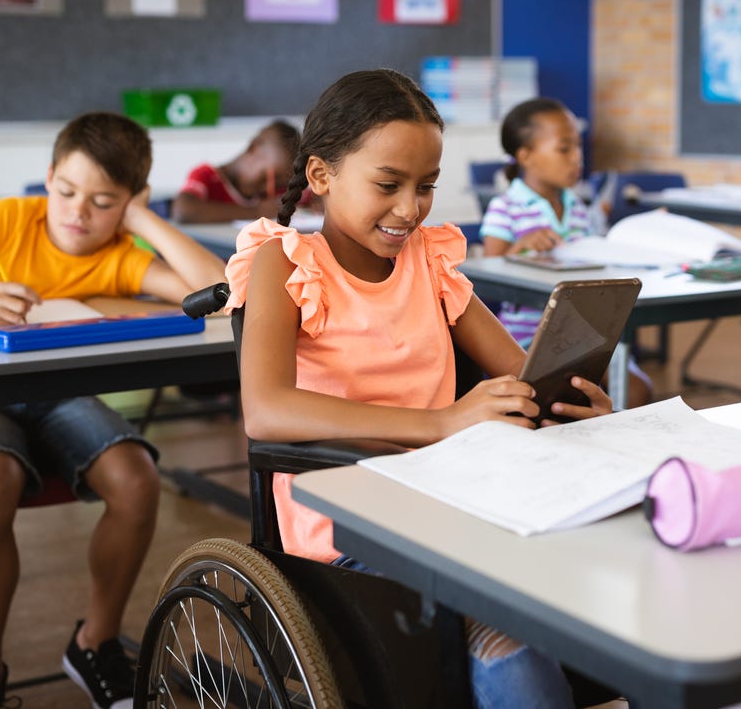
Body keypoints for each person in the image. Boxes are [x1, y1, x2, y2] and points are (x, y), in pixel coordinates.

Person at [225, 69, 612, 708]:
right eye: (388, 184)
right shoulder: (284, 261)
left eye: (426, 186)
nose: (411, 207)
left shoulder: (429, 259)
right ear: (321, 176)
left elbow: (520, 370)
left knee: (609, 584)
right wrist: (440, 425)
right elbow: (265, 411)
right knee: (513, 639)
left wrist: (565, 398)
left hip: (452, 499)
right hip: (349, 522)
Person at [0, 111, 227, 708]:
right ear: (47, 177)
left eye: (103, 201)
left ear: (127, 203)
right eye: (66, 191)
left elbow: (222, 293)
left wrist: (145, 218)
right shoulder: (5, 223)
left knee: (137, 479)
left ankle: (94, 642)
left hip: (63, 400)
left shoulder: (122, 251)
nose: (78, 213)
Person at [480, 97, 653, 406]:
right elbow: (490, 269)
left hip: (584, 333)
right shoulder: (506, 207)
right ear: (526, 156)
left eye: (578, 147)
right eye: (564, 148)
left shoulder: (577, 208)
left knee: (638, 391)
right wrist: (520, 247)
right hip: (526, 339)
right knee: (559, 397)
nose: (577, 158)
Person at [174, 119, 311, 223]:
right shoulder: (206, 175)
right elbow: (183, 211)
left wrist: (318, 201)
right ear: (253, 149)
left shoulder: (273, 190)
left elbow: (307, 195)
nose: (270, 189)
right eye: (265, 177)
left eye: (279, 185)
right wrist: (255, 212)